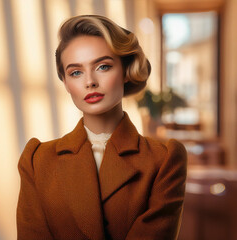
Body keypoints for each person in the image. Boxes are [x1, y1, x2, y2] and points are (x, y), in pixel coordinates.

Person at [17, 15, 187, 240]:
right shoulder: (37, 160)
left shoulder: (163, 159)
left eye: (103, 66)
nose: (90, 81)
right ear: (66, 82)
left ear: (126, 71)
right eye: (75, 72)